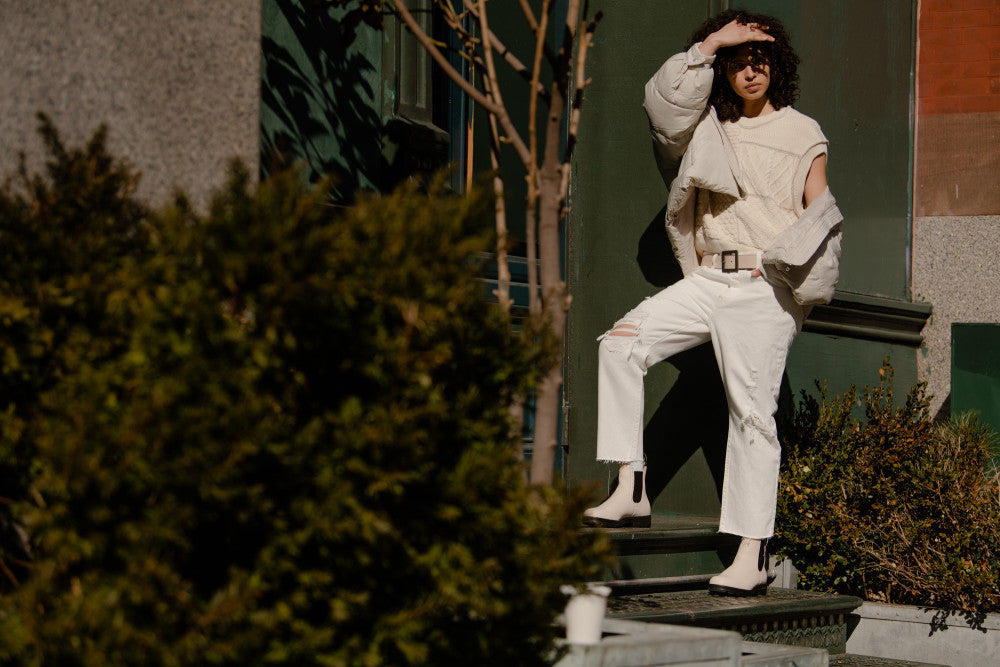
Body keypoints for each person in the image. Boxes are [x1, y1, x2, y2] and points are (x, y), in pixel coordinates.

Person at [582, 10, 843, 597]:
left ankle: (752, 554)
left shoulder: (803, 132)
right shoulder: (706, 127)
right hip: (708, 279)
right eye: (738, 62)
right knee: (621, 344)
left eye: (760, 59)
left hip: (764, 285)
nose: (750, 70)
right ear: (723, 70)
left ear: (778, 66)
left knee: (751, 417)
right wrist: (712, 43)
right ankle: (632, 487)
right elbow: (662, 105)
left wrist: (791, 283)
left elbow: (822, 217)